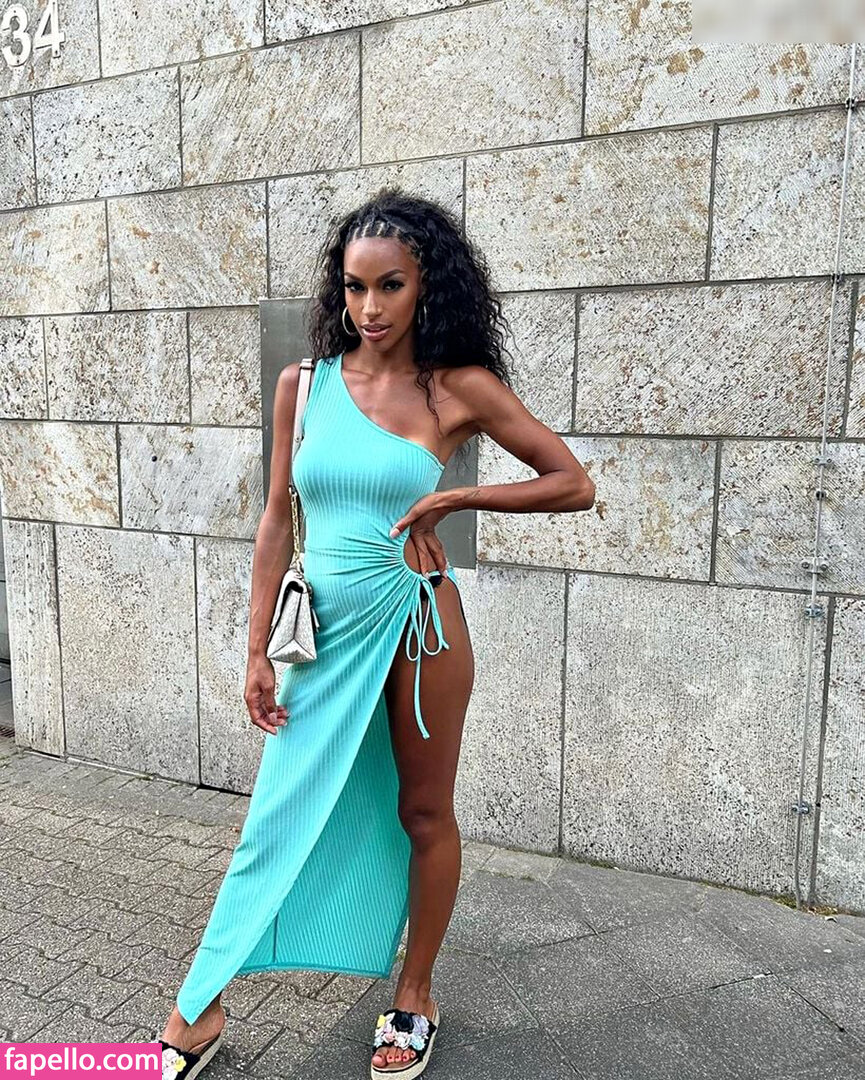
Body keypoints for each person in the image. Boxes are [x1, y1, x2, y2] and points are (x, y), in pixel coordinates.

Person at [157, 187, 595, 1079]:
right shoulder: (304, 384)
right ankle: (197, 1007)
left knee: (423, 812)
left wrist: (455, 496)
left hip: (418, 624)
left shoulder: (457, 388)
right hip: (325, 633)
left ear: (427, 284)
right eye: (355, 287)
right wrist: (254, 650)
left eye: (389, 285)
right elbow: (276, 519)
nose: (369, 307)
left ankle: (414, 994)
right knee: (276, 814)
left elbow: (571, 482)